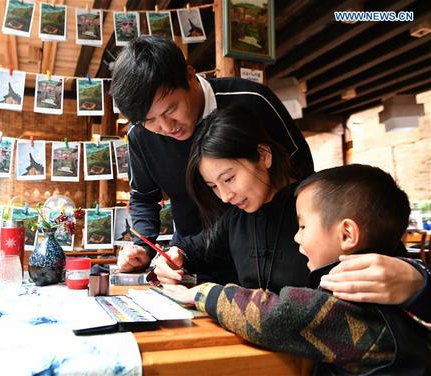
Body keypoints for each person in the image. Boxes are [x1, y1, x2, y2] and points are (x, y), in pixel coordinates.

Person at [153, 106, 429, 321]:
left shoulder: (317, 203)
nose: (225, 196)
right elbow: (193, 248)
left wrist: (417, 278)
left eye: (229, 178)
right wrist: (173, 256)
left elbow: (391, 256)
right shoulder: (235, 218)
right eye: (213, 186)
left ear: (264, 155)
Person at [163, 164, 431, 375]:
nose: (296, 238)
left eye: (302, 227)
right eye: (213, 186)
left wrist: (200, 294)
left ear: (347, 234)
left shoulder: (357, 303)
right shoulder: (381, 289)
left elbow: (275, 316)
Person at [111, 35, 314, 283]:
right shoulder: (140, 135)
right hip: (192, 261)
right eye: (149, 120)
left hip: (273, 262)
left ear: (189, 75)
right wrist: (142, 245)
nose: (165, 127)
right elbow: (143, 196)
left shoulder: (252, 101)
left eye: (170, 109)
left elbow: (303, 175)